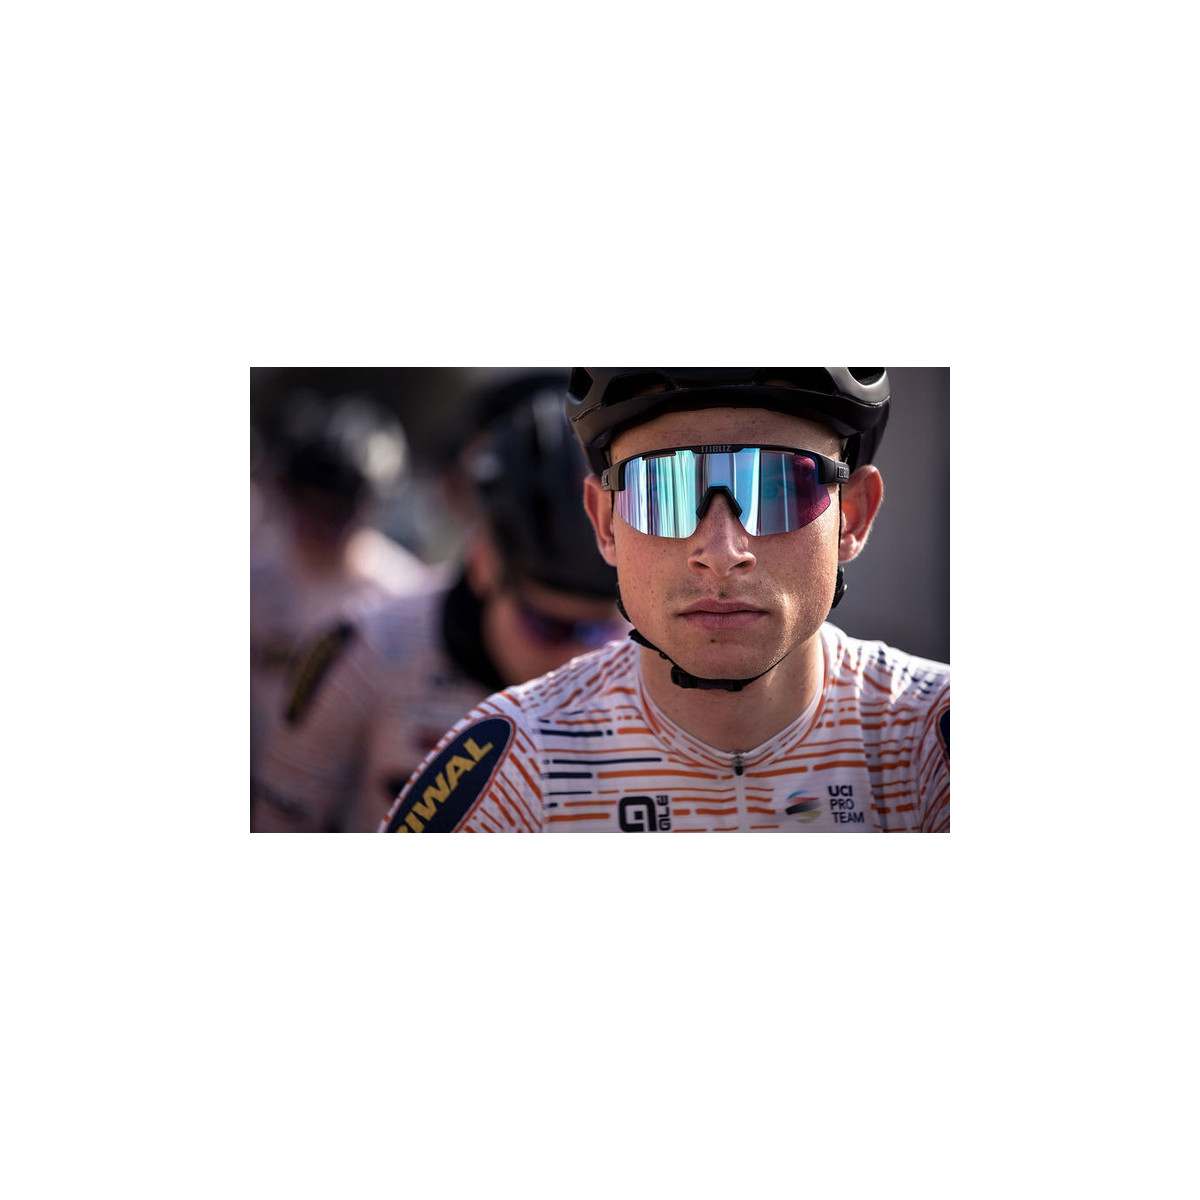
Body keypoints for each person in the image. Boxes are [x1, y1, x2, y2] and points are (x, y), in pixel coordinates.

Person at [381, 368, 949, 833]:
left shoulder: (933, 742)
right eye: (662, 492)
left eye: (778, 488)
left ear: (853, 515)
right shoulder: (518, 763)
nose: (721, 553)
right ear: (604, 524)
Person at [252, 372, 628, 832]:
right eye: (546, 625)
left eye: (601, 631)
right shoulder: (366, 650)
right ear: (483, 564)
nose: (578, 656)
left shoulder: (649, 668)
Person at [250, 391, 437, 791]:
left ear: (369, 508)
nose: (316, 525)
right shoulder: (254, 578)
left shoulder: (403, 594)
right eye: (304, 506)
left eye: (335, 513)